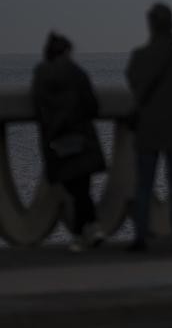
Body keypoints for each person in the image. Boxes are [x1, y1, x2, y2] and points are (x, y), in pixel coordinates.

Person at [125, 3, 172, 253]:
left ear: (150, 25)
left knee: (144, 185)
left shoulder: (139, 57)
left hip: (148, 128)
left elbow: (134, 83)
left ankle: (140, 237)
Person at [32, 32, 106, 252]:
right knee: (81, 189)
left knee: (76, 190)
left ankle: (86, 232)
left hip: (56, 141)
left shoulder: (40, 76)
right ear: (65, 52)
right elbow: (92, 106)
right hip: (80, 138)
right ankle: (85, 233)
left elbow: (39, 110)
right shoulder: (76, 73)